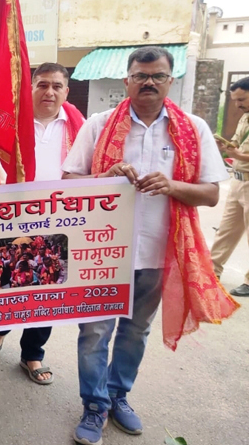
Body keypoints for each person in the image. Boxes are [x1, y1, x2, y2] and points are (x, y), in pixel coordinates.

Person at [62, 46, 235, 445]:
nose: (149, 82)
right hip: (102, 255)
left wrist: (173, 186)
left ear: (170, 81)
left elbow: (210, 194)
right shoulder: (99, 125)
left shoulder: (192, 129)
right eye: (141, 76)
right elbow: (69, 183)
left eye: (157, 76)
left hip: (158, 252)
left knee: (135, 331)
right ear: (127, 81)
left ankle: (118, 395)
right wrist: (104, 177)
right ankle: (94, 404)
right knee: (93, 333)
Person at [0, 63, 86, 385]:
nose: (49, 92)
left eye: (57, 86)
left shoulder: (80, 127)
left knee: (47, 287)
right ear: (29, 89)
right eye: (42, 84)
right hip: (12, 219)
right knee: (9, 280)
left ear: (66, 91)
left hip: (59, 221)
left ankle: (32, 353)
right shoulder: (8, 124)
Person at [210, 77, 249, 295]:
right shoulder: (245, 118)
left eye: (242, 99)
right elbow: (236, 142)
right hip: (238, 180)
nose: (238, 105)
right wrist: (226, 146)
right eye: (235, 100)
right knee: (226, 230)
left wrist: (239, 155)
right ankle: (212, 272)